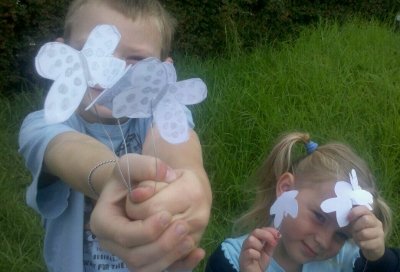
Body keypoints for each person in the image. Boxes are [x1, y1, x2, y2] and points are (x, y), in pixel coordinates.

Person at [18, 0, 211, 271]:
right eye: (92, 50)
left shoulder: (163, 110)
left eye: (135, 61)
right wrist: (114, 178)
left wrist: (193, 179)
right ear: (62, 52)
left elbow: (178, 144)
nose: (110, 71)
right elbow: (70, 149)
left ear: (163, 71)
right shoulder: (44, 123)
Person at [206, 132, 400, 272]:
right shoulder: (231, 261)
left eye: (341, 235)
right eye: (319, 217)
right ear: (286, 189)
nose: (323, 241)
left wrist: (378, 258)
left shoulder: (349, 260)